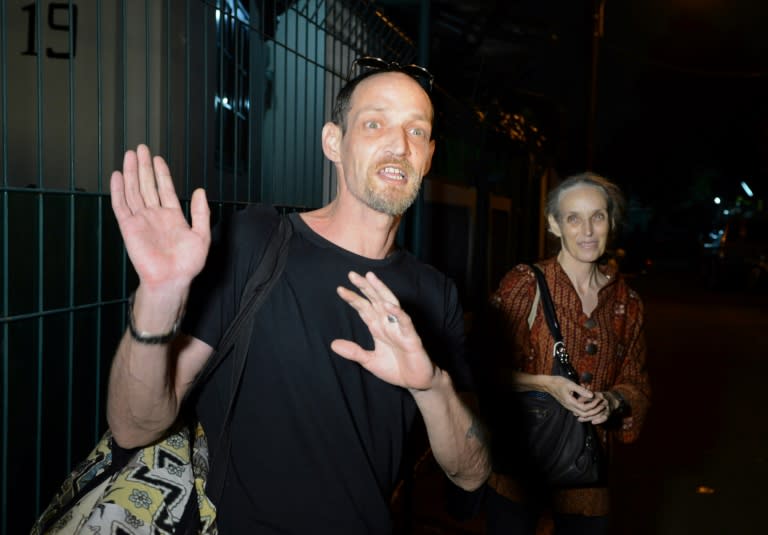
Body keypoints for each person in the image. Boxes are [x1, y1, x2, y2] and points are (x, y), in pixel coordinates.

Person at [105, 57, 490, 534]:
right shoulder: (255, 243)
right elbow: (134, 427)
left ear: (429, 156)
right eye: (375, 124)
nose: (398, 145)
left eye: (416, 132)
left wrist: (430, 387)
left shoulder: (436, 294)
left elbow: (471, 473)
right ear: (334, 142)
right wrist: (157, 299)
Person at [478, 172, 651, 534]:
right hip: (520, 473)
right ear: (554, 225)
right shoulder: (525, 285)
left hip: (588, 476)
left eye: (598, 216)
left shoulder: (627, 302)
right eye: (573, 218)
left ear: (611, 221)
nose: (587, 230)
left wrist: (612, 401)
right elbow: (481, 368)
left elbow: (636, 382)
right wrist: (545, 385)